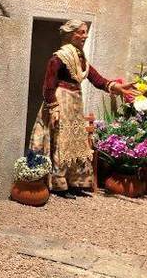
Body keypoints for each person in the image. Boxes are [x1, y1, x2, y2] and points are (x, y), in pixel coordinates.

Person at [28, 20, 135, 199]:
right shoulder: (59, 58)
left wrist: (116, 87)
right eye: (81, 32)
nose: (85, 36)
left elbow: (96, 78)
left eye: (86, 32)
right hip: (61, 102)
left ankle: (75, 182)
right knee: (62, 141)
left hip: (75, 102)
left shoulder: (80, 58)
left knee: (76, 141)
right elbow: (48, 85)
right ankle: (59, 184)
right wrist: (53, 107)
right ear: (70, 34)